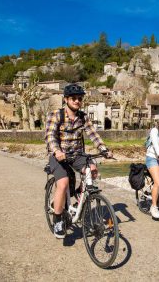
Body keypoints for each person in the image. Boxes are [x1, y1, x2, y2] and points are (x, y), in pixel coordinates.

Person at [45, 83, 112, 239]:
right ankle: (58, 220)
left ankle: (79, 198)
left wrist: (104, 149)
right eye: (73, 98)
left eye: (79, 98)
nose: (77, 101)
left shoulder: (83, 117)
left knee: (93, 170)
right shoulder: (56, 115)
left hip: (77, 155)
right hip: (59, 156)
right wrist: (57, 151)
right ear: (66, 99)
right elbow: (50, 136)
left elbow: (93, 135)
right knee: (62, 183)